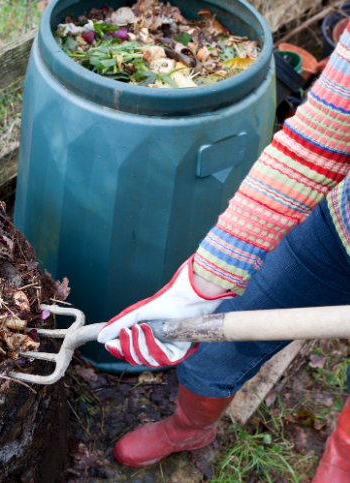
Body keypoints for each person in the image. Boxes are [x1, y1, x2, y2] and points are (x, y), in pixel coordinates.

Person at [96, 24, 350, 482]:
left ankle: (344, 455)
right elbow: (314, 146)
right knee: (221, 336)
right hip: (341, 233)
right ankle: (189, 429)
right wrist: (201, 284)